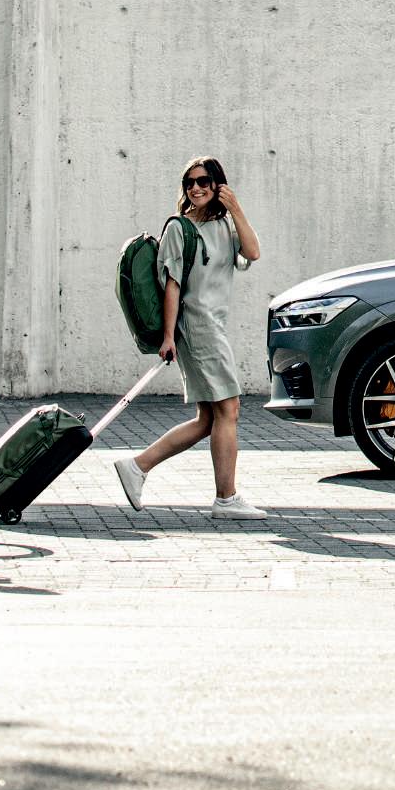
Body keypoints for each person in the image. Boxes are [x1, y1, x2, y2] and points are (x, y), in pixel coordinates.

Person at [114, 156, 269, 521]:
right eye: (189, 183)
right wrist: (168, 336)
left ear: (218, 185)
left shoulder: (225, 225)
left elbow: (252, 252)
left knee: (208, 419)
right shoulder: (179, 228)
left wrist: (236, 209)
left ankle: (137, 466)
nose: (196, 188)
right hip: (197, 328)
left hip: (213, 326)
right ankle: (226, 499)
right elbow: (172, 285)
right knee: (229, 409)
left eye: (203, 181)